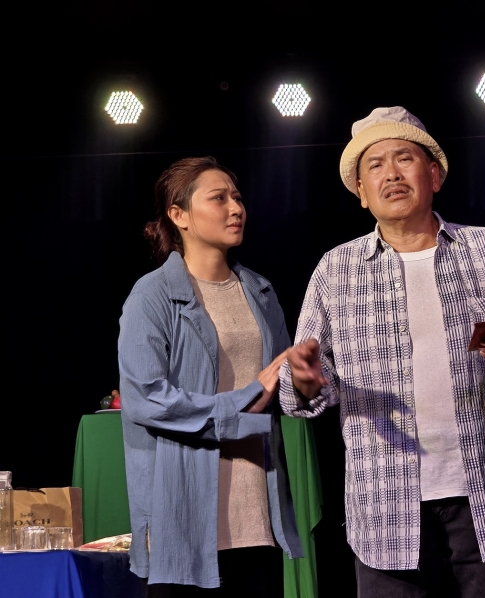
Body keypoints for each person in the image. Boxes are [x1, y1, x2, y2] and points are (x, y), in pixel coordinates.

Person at [279, 106, 485, 597]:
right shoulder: (336, 271)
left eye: (404, 159)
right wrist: (306, 379)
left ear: (434, 175)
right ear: (361, 192)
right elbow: (303, 387)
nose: (392, 174)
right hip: (385, 504)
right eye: (375, 166)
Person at [118, 157, 302, 597]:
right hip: (182, 517)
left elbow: (279, 388)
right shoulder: (153, 295)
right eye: (218, 198)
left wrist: (306, 383)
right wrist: (241, 404)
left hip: (256, 515)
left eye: (237, 197)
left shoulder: (260, 291)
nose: (235, 208)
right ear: (178, 215)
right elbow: (147, 399)